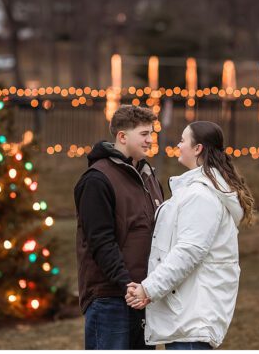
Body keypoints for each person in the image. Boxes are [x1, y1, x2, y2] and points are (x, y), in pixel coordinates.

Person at [125, 121, 255, 350]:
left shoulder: (200, 196)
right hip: (188, 314)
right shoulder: (197, 190)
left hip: (193, 316)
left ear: (198, 149)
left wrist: (148, 289)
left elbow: (188, 252)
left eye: (183, 140)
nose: (178, 144)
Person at [74, 105, 164, 350]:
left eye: (151, 133)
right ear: (122, 136)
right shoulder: (97, 179)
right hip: (110, 298)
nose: (150, 140)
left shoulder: (149, 177)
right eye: (144, 134)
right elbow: (101, 242)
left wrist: (148, 288)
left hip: (143, 296)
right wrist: (127, 285)